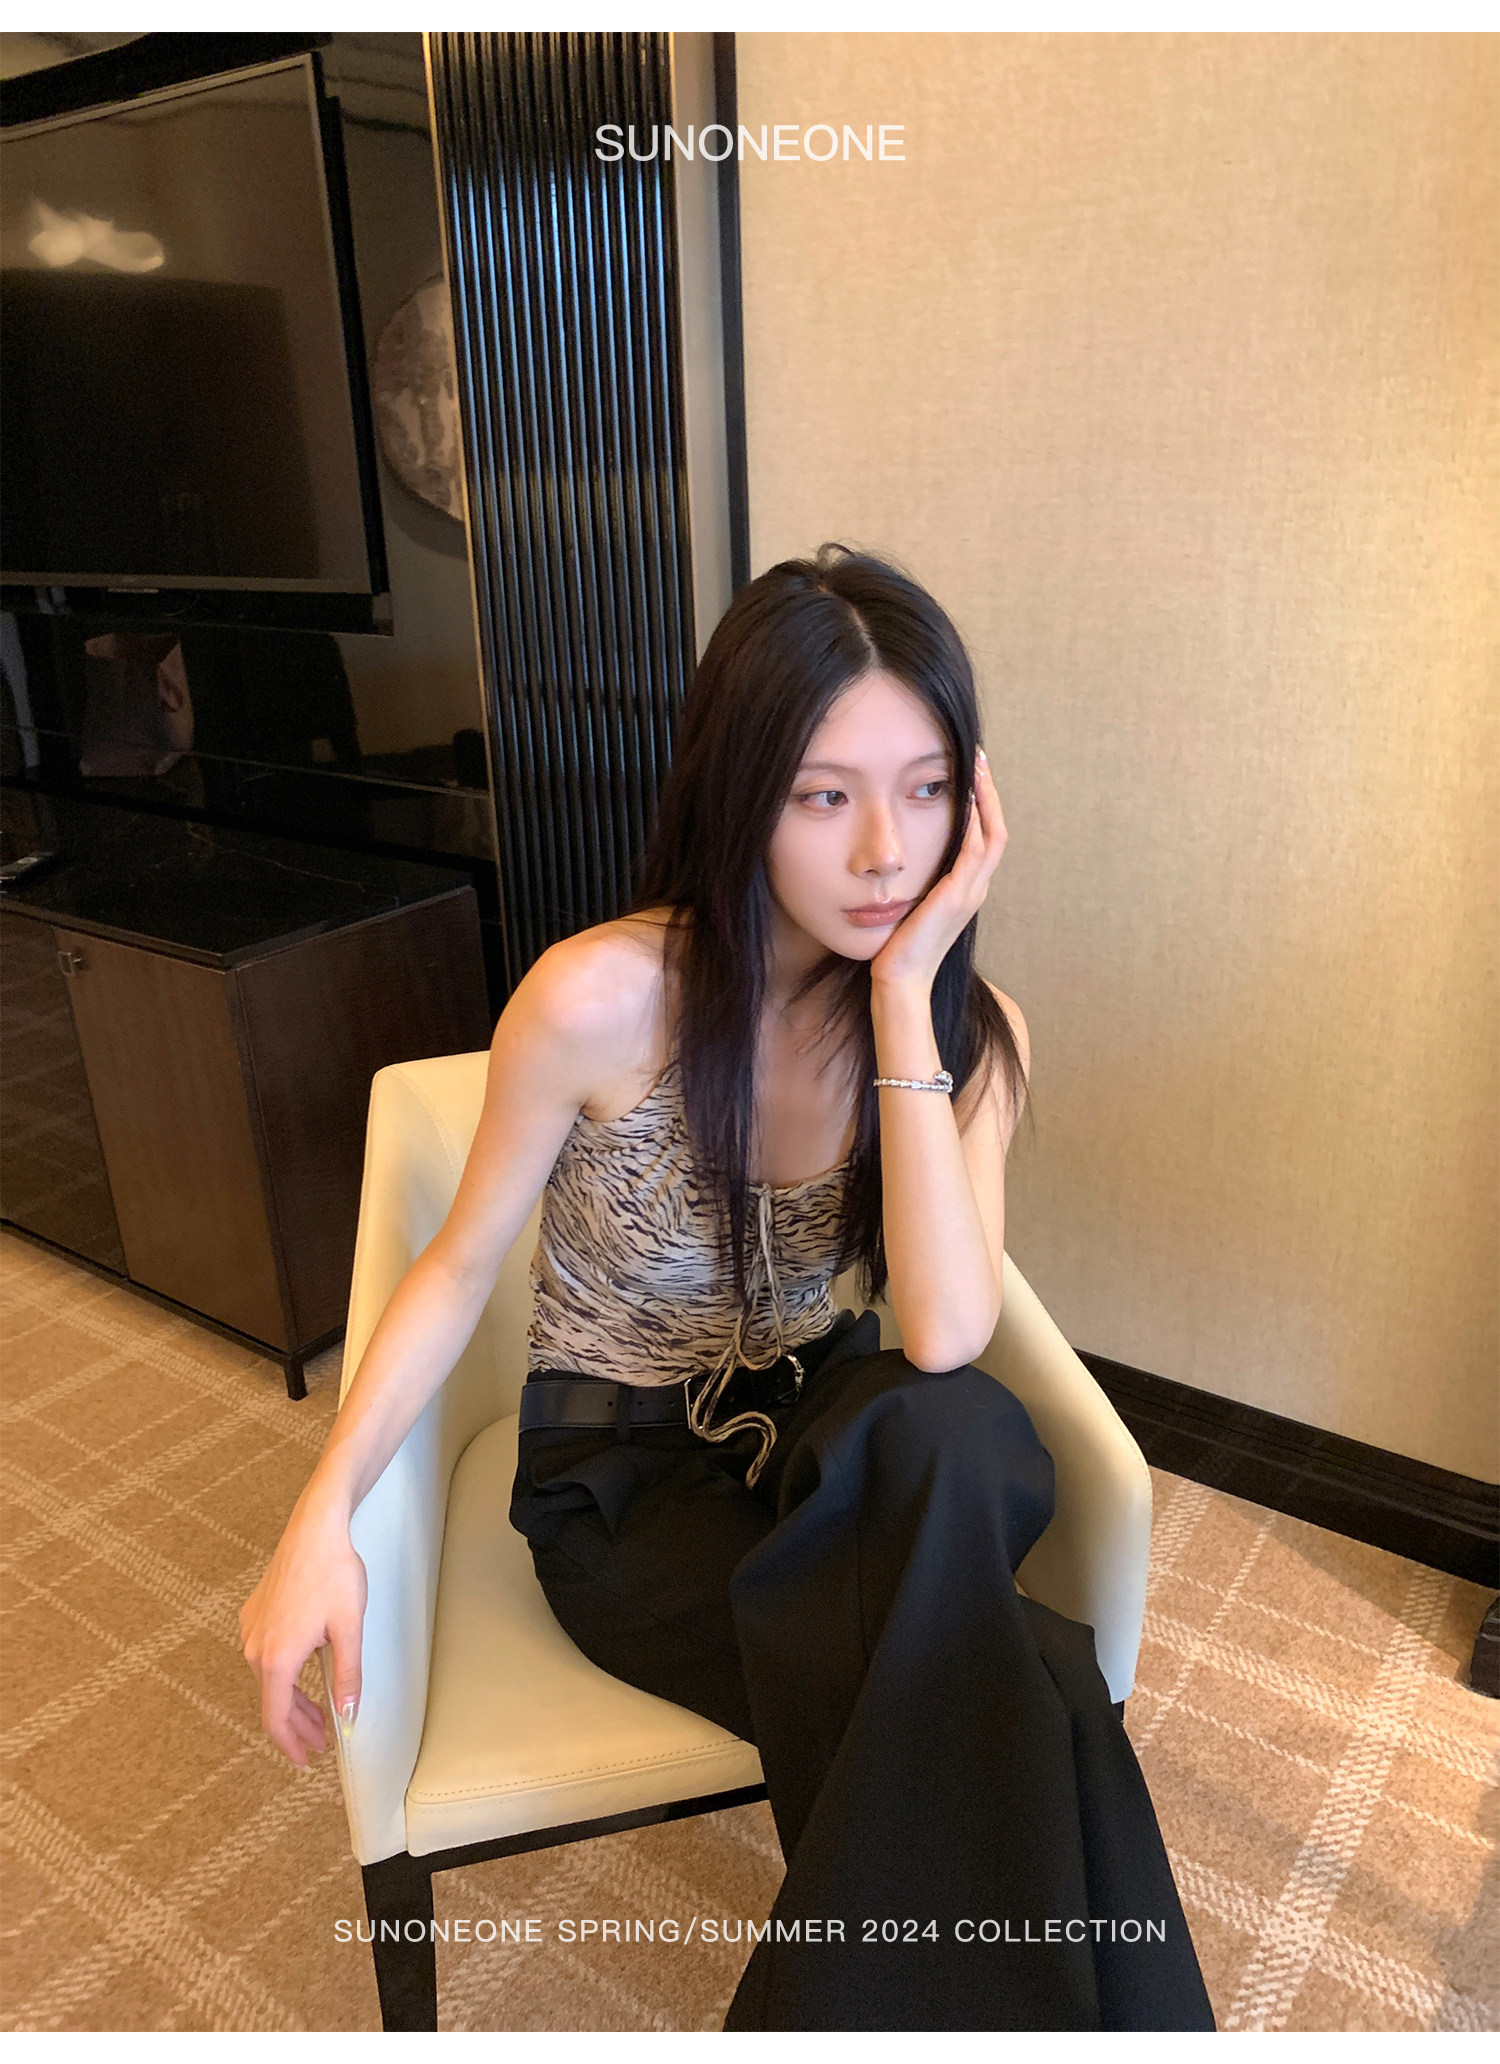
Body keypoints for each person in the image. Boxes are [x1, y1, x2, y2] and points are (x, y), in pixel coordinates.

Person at [240, 543, 1215, 2032]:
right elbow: (455, 1267)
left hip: (827, 1437)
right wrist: (320, 1515)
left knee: (964, 1428)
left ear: (974, 808)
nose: (885, 851)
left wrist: (906, 1003)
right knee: (1028, 1695)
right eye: (825, 796)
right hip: (624, 1487)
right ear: (739, 793)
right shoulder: (601, 999)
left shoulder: (971, 1033)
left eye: (926, 790)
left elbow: (947, 1334)